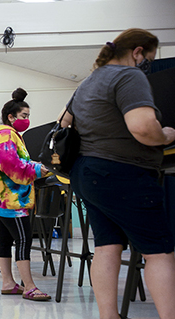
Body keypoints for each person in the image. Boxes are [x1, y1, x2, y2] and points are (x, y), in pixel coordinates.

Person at [62, 29, 175, 319]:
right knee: (158, 251)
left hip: (88, 173)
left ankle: (108, 315)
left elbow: (65, 123)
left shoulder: (88, 82)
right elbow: (141, 127)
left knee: (107, 247)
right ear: (137, 52)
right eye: (147, 58)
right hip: (123, 171)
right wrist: (165, 135)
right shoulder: (129, 76)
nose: (145, 65)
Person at [0, 88, 50, 301]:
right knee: (23, 239)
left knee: (3, 238)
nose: (27, 120)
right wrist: (38, 170)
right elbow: (11, 164)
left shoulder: (5, 135)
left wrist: (33, 165)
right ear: (11, 117)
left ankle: (9, 283)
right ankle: (29, 286)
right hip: (11, 199)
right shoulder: (6, 134)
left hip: (0, 198)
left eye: (28, 116)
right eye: (24, 116)